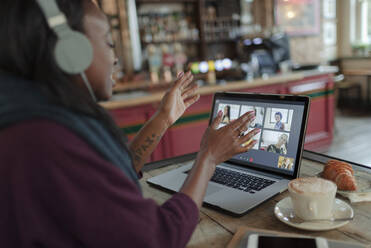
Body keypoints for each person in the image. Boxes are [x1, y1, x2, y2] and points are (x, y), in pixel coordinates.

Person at [0, 1, 260, 247]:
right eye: (108, 42)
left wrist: (163, 118)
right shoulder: (49, 138)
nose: (114, 59)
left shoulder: (34, 116)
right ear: (71, 51)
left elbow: (112, 171)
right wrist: (208, 158)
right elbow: (158, 237)